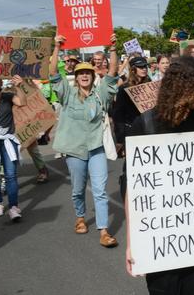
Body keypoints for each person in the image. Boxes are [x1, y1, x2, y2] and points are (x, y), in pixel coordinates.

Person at [124, 56, 194, 295]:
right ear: (184, 88)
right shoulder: (144, 125)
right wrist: (133, 243)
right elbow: (132, 191)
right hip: (159, 243)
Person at [50, 34, 119, 247]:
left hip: (97, 148)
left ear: (92, 75)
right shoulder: (67, 94)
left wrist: (113, 49)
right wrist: (57, 47)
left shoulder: (101, 95)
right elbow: (52, 73)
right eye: (81, 73)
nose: (85, 76)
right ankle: (80, 217)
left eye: (88, 72)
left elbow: (113, 73)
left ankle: (104, 231)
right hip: (74, 150)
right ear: (76, 77)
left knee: (100, 190)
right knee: (78, 189)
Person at [0, 75, 26, 220]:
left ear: (1, 87)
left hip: (7, 142)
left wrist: (19, 86)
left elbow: (22, 102)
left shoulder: (7, 96)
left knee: (10, 175)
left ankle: (13, 207)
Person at [112, 56, 151, 153]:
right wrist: (120, 138)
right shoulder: (124, 89)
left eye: (145, 66)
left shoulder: (151, 85)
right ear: (133, 69)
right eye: (140, 67)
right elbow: (118, 115)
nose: (144, 69)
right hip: (131, 130)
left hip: (149, 129)